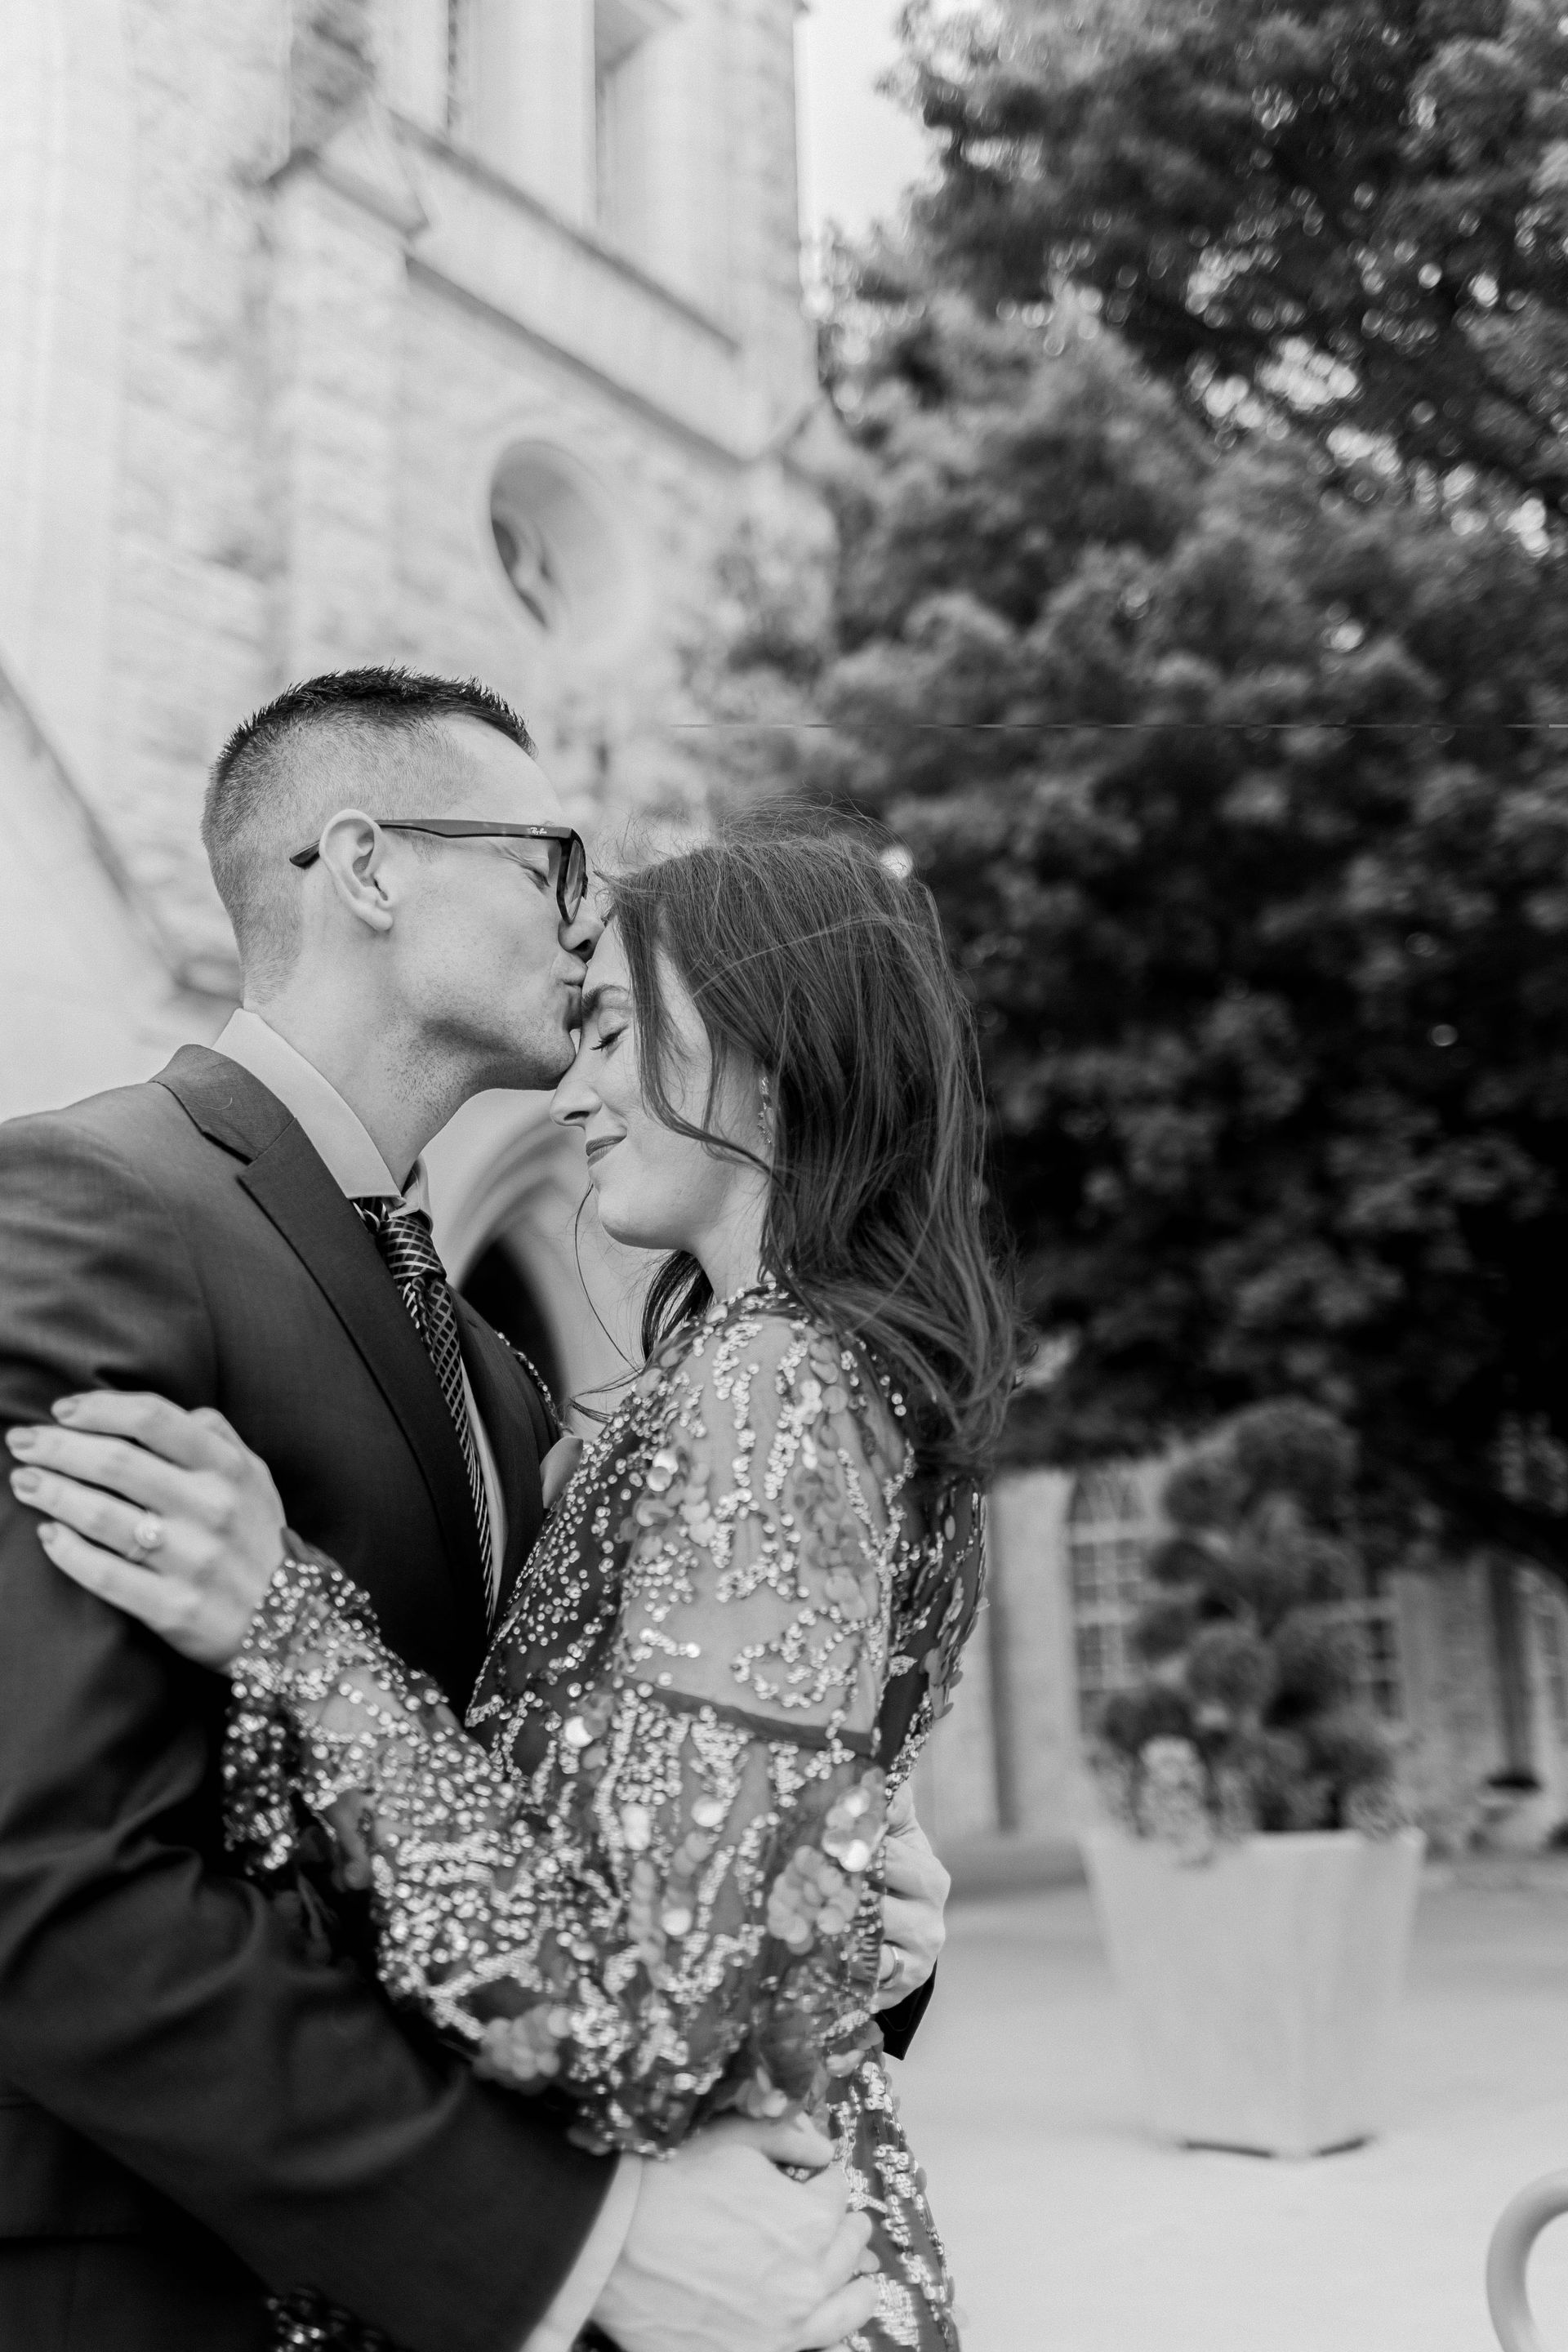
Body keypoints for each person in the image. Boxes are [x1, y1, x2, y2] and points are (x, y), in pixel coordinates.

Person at [0, 670, 946, 2352]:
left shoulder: (507, 1379)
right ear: (368, 867)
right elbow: (44, 1877)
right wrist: (573, 2245)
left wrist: (835, 1897)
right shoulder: (88, 1206)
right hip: (162, 2287)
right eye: (550, 862)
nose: (589, 931)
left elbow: (574, 1829)